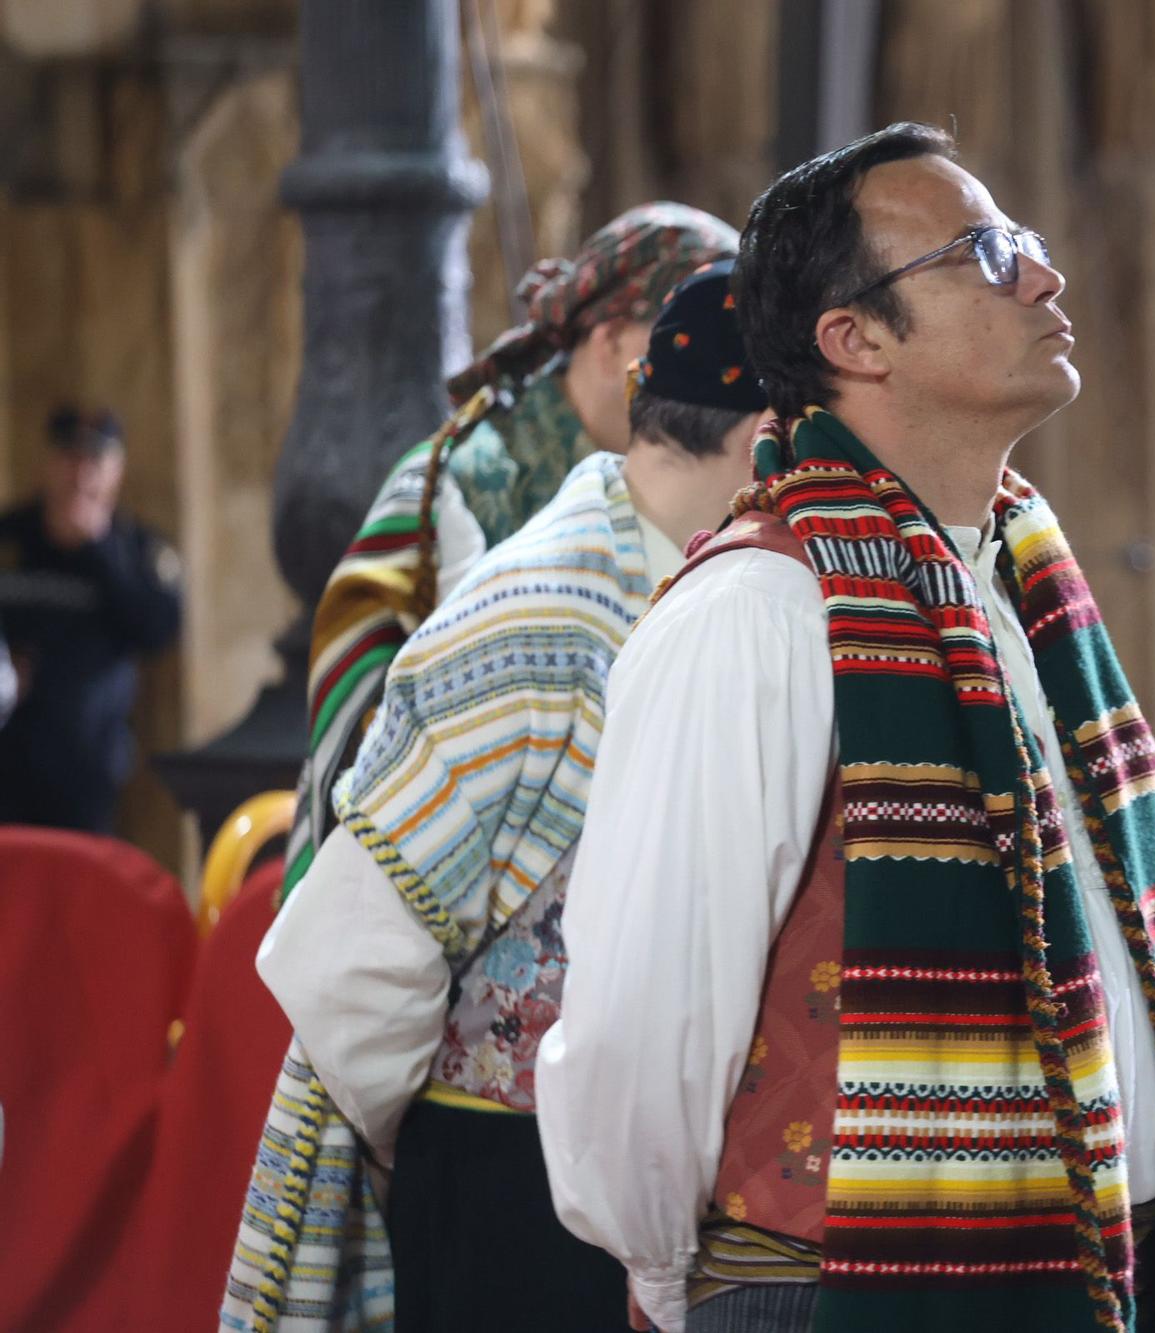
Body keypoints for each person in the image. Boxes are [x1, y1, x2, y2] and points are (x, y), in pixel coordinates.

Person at [539, 123, 1155, 1333]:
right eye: (983, 254)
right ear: (854, 339)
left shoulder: (1022, 588)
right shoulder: (757, 614)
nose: (1043, 274)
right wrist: (682, 1294)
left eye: (1024, 242)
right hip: (841, 1295)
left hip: (1098, 1276)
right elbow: (637, 1034)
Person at [222, 263, 768, 1329]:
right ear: (766, 443)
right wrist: (454, 1142)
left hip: (619, 1177)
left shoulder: (688, 582)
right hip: (508, 1180)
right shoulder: (542, 615)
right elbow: (348, 965)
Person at [283, 201, 739, 898]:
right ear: (612, 339)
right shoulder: (474, 479)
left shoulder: (699, 477)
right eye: (684, 337)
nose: (716, 369)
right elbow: (465, 711)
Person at [0, 408, 180, 833]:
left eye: (95, 462)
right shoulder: (10, 538)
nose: (80, 476)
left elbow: (160, 629)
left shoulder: (136, 550)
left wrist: (99, 553)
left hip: (89, 771)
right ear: (49, 463)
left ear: (116, 471)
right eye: (69, 459)